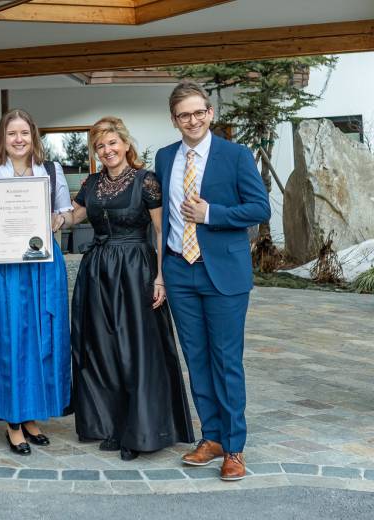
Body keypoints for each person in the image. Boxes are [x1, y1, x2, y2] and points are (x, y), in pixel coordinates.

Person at [155, 81, 270, 480]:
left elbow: (259, 207)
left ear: (210, 113)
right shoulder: (165, 157)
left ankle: (234, 447)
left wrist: (211, 214)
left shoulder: (235, 155)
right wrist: (160, 273)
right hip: (179, 271)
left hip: (223, 273)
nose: (192, 120)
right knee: (197, 359)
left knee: (226, 361)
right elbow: (162, 219)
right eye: (183, 115)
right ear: (174, 120)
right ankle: (212, 436)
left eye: (198, 112)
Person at [69, 116, 194, 461]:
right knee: (102, 350)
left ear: (125, 145)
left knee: (135, 349)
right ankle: (111, 424)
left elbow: (159, 231)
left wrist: (160, 277)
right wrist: (27, 216)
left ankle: (140, 430)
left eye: (112, 143)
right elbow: (69, 218)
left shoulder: (146, 181)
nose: (107, 150)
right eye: (100, 146)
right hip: (98, 272)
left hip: (136, 269)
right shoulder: (92, 183)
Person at [0, 109, 72, 455]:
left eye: (24, 133)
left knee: (43, 338)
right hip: (4, 265)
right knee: (9, 339)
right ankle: (12, 421)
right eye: (12, 133)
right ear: (2, 137)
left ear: (33, 136)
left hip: (43, 266)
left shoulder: (52, 171)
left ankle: (32, 416)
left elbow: (66, 213)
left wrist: (57, 222)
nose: (19, 139)